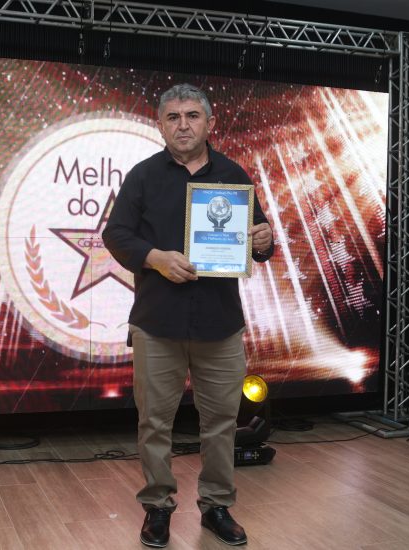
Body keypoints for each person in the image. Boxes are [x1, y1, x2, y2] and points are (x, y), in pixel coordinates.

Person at [102, 83, 274, 547]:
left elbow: (257, 243)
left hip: (220, 323)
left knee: (221, 422)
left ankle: (216, 506)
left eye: (192, 116)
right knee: (154, 422)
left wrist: (264, 241)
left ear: (209, 123)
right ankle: (157, 507)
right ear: (160, 125)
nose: (183, 125)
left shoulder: (234, 175)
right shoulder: (142, 176)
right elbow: (115, 234)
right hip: (157, 321)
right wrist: (155, 258)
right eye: (173, 117)